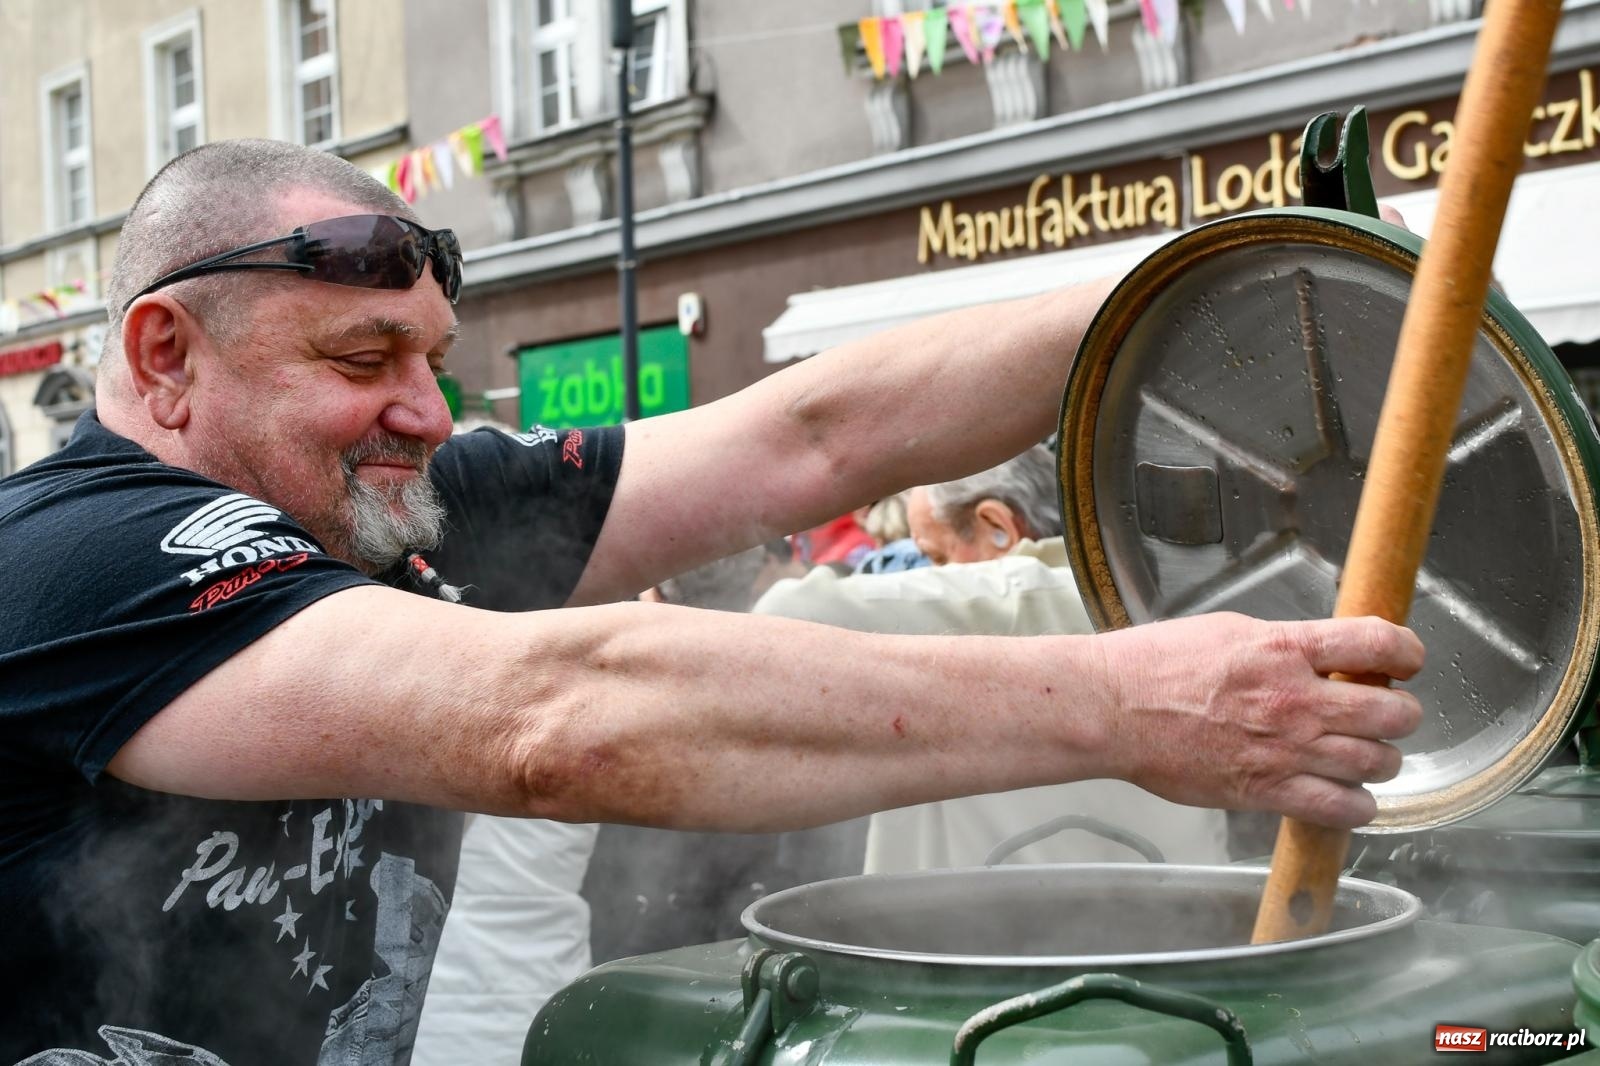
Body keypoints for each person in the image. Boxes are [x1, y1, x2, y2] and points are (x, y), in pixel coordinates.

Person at [0, 140, 1423, 1066]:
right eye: (367, 355)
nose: (428, 413)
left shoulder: (382, 514)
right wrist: (1134, 705)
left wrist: (1221, 281)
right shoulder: (73, 559)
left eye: (435, 358)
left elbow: (815, 436)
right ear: (165, 351)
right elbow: (551, 720)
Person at [755, 445, 1229, 872]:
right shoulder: (1168, 599)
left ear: (998, 528)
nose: (931, 576)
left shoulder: (1002, 600)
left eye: (936, 557)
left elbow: (779, 620)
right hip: (1180, 936)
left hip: (989, 951)